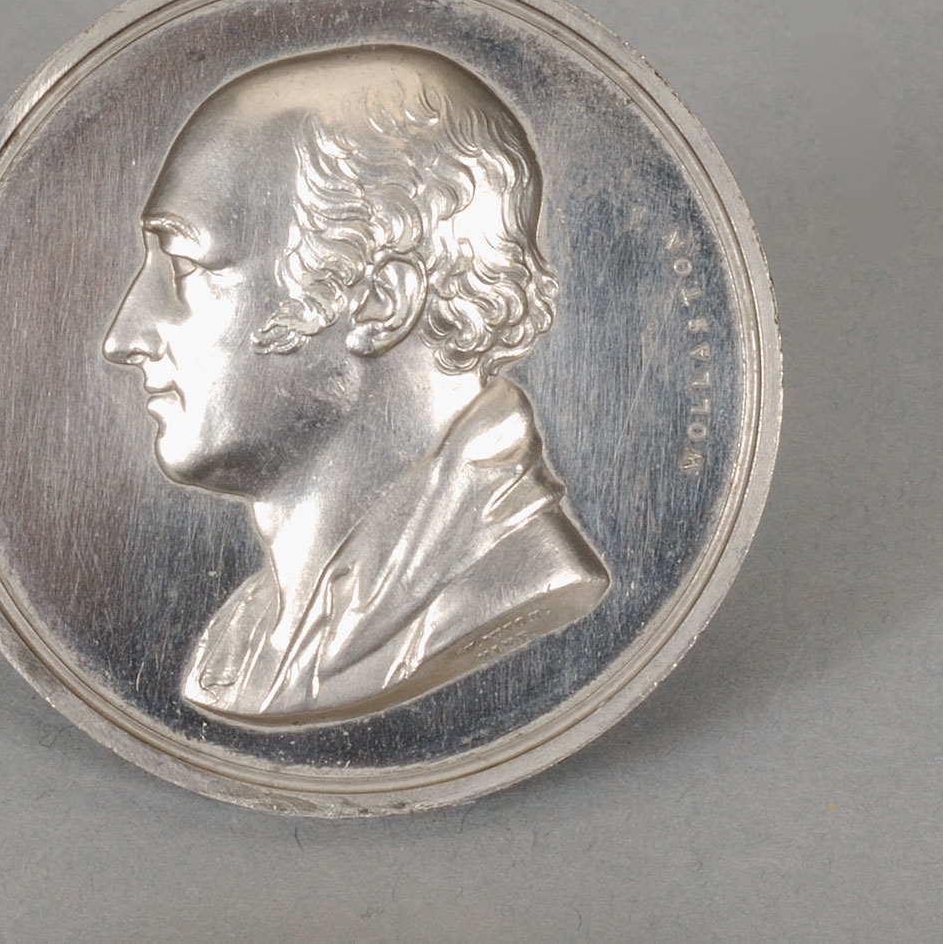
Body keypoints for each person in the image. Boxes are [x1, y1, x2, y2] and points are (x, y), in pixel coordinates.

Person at [103, 45, 608, 726]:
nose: (123, 335)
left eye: (185, 262)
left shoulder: (515, 581)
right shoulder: (242, 635)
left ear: (378, 302)